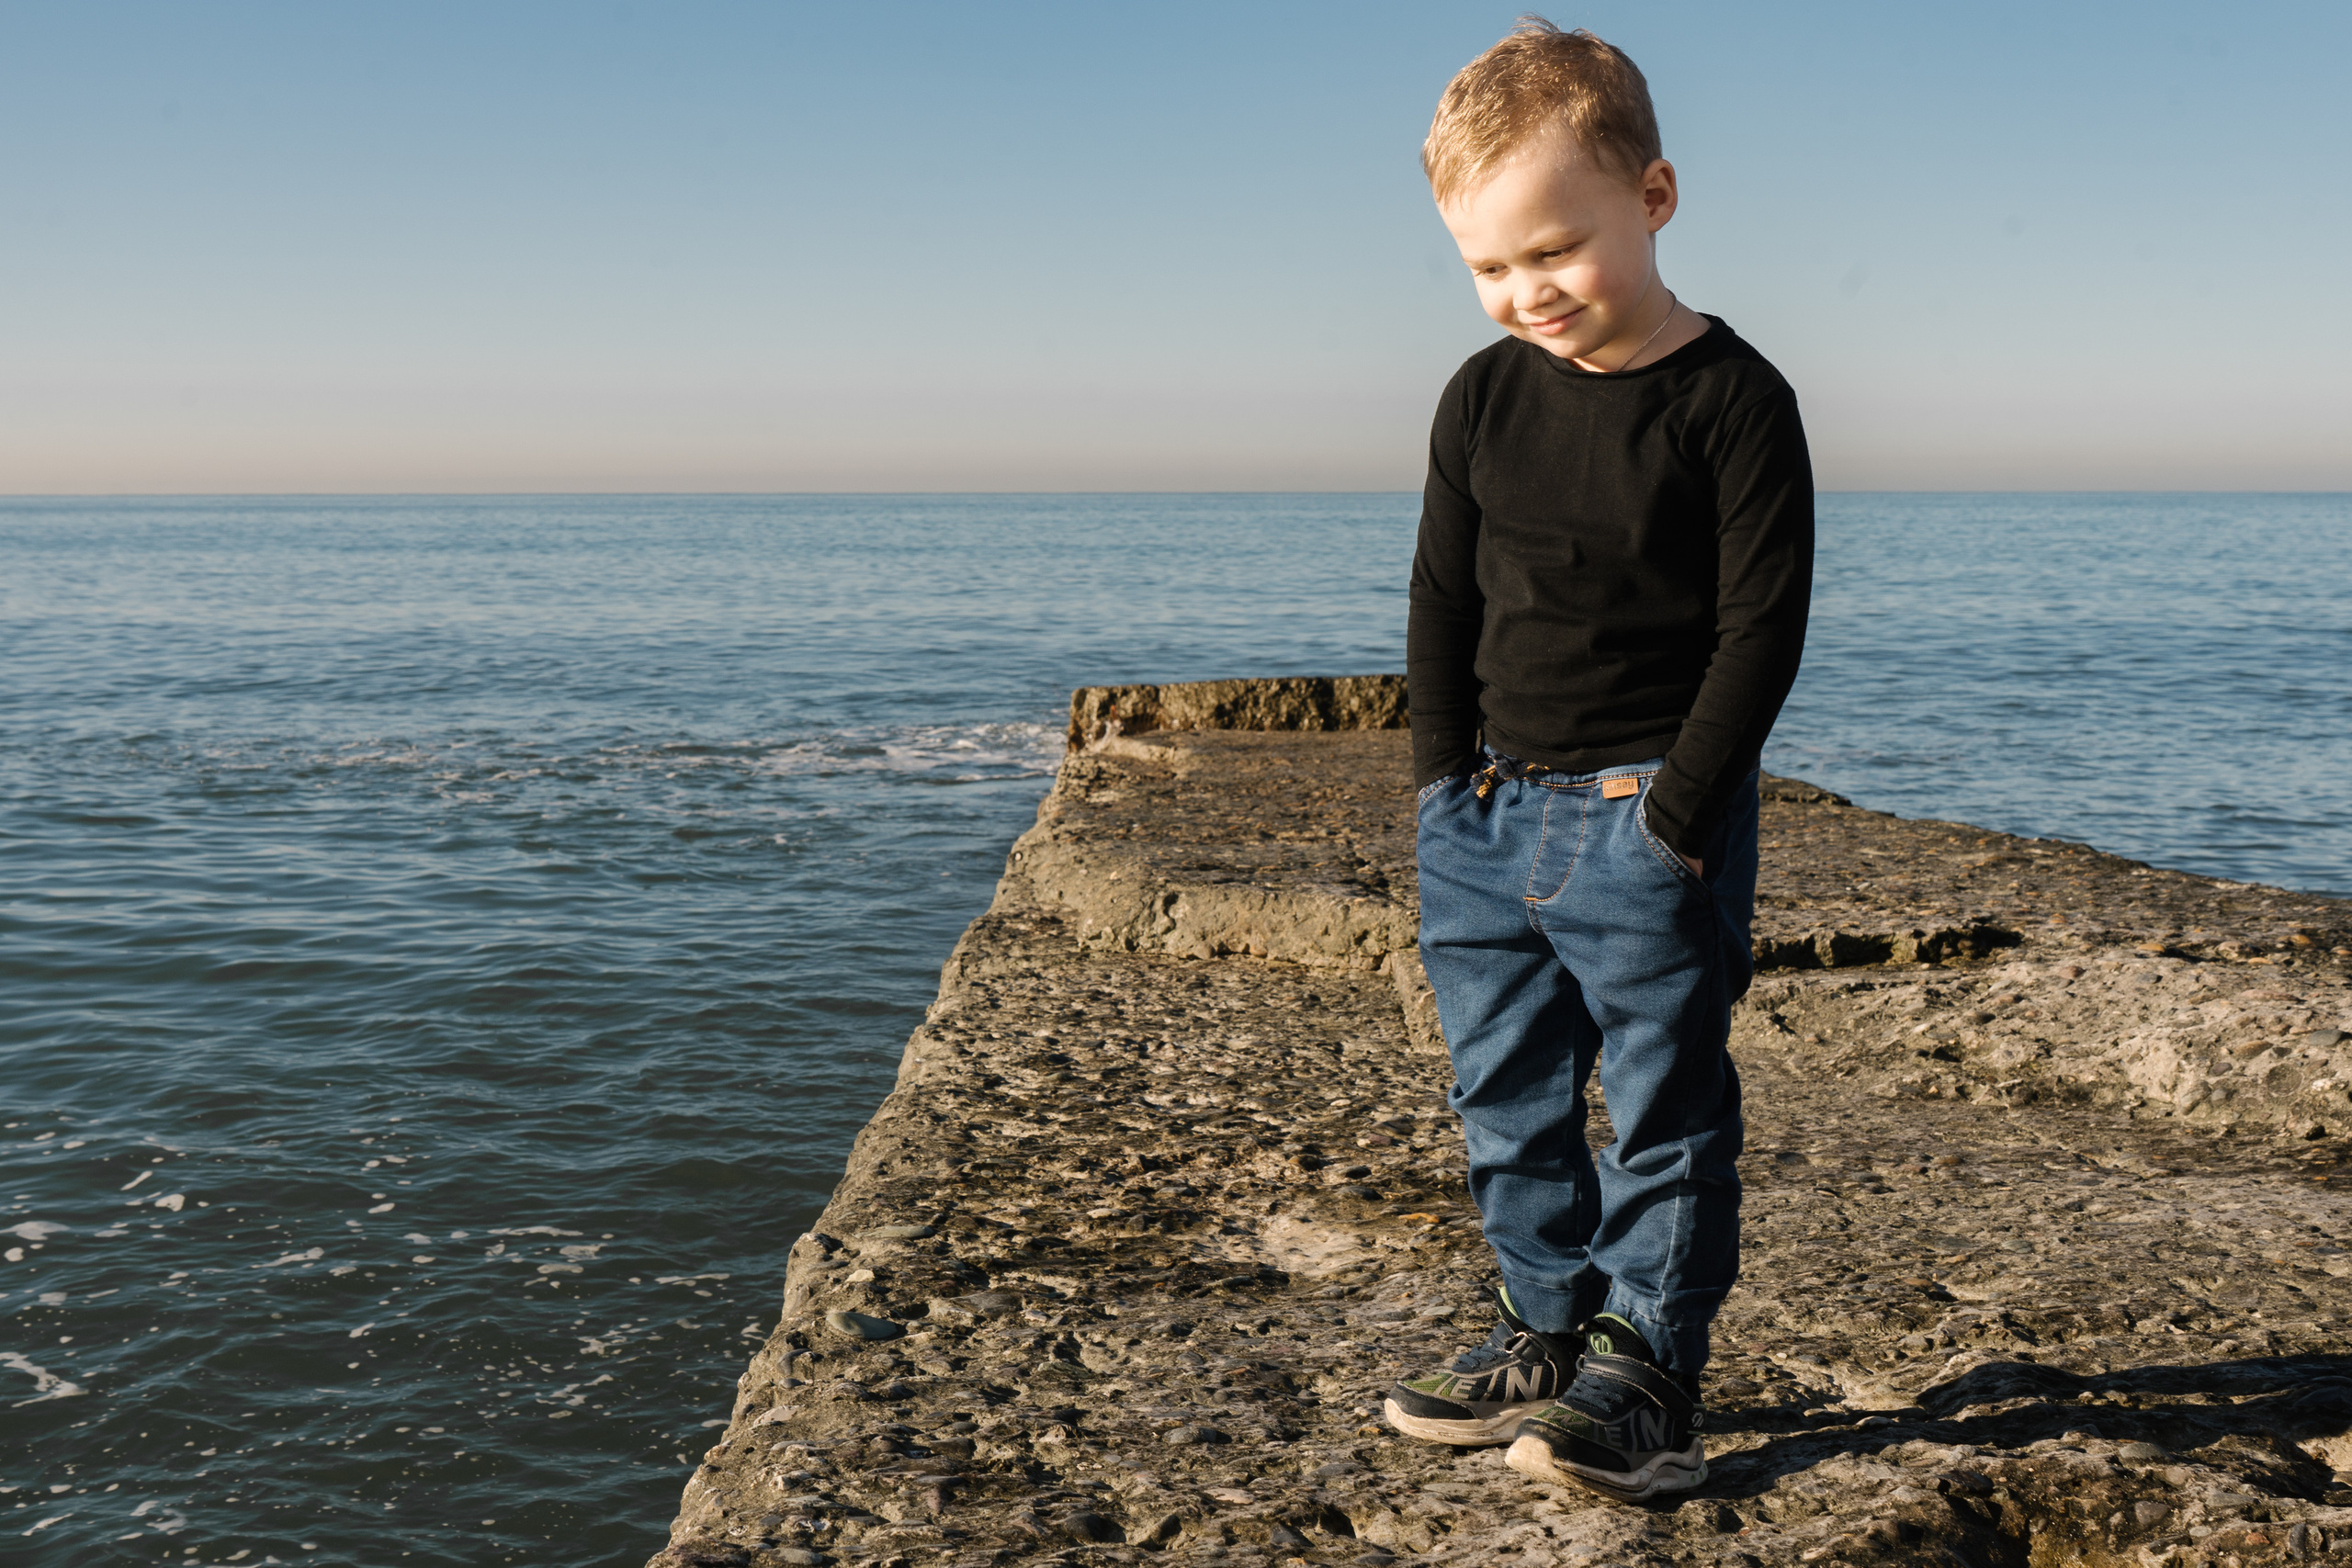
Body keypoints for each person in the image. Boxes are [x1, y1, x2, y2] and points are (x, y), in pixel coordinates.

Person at [1381, 18, 1814, 1501]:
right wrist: (1442, 784)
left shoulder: (1735, 403)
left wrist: (1681, 819)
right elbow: (1442, 598)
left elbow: (1762, 631)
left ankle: (1650, 1371)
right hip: (1490, 810)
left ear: (1658, 195)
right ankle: (1542, 1326)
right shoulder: (1481, 398)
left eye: (1555, 250)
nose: (1526, 293)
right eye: (1490, 268)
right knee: (1502, 1094)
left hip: (1647, 815)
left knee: (1663, 1105)